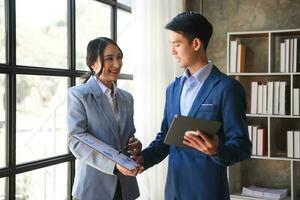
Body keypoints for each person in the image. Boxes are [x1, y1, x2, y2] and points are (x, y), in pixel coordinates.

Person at [134, 11, 252, 200]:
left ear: (196, 44)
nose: (172, 51)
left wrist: (217, 150)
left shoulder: (227, 88)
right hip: (173, 191)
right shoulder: (172, 89)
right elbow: (165, 138)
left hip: (208, 193)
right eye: (170, 45)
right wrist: (143, 159)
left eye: (177, 44)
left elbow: (243, 147)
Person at [68, 37, 141, 200]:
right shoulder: (79, 95)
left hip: (125, 187)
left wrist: (135, 145)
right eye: (109, 58)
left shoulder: (127, 98)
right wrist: (113, 164)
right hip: (93, 187)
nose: (117, 64)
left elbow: (128, 135)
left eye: (119, 57)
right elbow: (76, 141)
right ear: (93, 64)